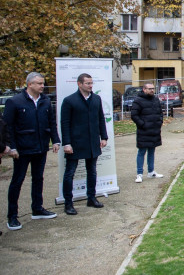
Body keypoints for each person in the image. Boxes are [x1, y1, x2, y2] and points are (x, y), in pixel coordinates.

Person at [3, 72, 61, 231]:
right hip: (22, 149)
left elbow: (51, 122)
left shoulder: (45, 101)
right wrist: (12, 147)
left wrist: (55, 140)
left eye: (43, 83)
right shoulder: (14, 102)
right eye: (39, 83)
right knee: (18, 180)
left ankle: (37, 208)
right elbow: (7, 127)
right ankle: (12, 216)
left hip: (40, 147)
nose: (42, 86)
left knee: (38, 178)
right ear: (29, 84)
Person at [60, 73, 108, 215]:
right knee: (70, 173)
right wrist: (67, 143)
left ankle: (91, 198)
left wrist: (104, 137)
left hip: (92, 141)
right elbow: (65, 123)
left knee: (92, 171)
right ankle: (68, 203)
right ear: (79, 84)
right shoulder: (69, 101)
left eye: (91, 83)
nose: (90, 85)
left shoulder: (96, 99)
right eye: (87, 83)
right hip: (75, 142)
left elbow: (101, 118)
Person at [130, 83, 164, 183]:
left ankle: (151, 171)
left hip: (154, 130)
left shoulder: (156, 99)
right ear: (144, 89)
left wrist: (159, 123)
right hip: (144, 131)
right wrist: (143, 125)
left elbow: (160, 113)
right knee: (141, 152)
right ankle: (139, 174)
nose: (152, 90)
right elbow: (134, 115)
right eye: (150, 89)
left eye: (153, 88)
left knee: (152, 151)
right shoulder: (138, 100)